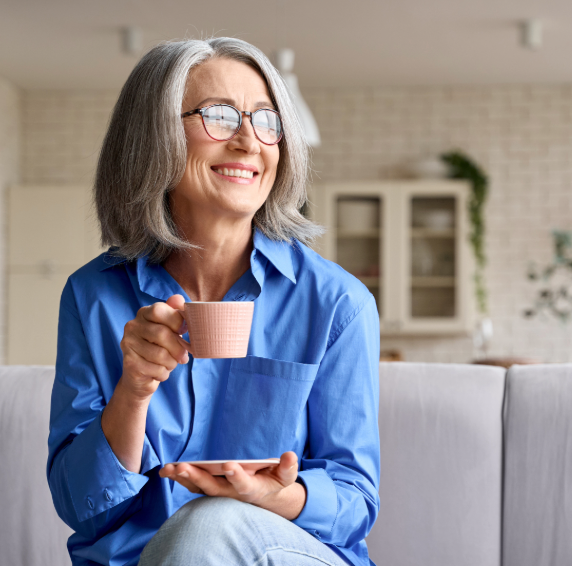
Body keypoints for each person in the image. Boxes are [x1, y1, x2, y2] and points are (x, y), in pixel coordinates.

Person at [46, 37, 380, 566]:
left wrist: (272, 497)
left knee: (209, 526)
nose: (250, 140)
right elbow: (80, 505)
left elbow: (356, 500)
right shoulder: (93, 296)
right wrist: (133, 393)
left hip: (287, 552)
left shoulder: (337, 303)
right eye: (220, 116)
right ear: (154, 137)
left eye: (267, 120)